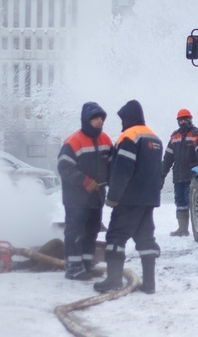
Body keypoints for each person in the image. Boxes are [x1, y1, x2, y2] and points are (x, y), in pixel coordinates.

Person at [95, 100, 163, 294]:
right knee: (146, 239)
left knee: (116, 236)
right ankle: (149, 284)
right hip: (148, 199)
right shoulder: (154, 138)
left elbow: (123, 169)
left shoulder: (129, 136)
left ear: (129, 118)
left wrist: (114, 196)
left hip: (129, 197)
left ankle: (113, 280)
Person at [57, 102, 113, 281]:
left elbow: (112, 165)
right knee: (75, 230)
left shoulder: (105, 140)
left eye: (101, 118)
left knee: (92, 229)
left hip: (96, 197)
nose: (99, 121)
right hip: (76, 198)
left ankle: (87, 264)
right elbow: (64, 168)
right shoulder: (73, 141)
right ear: (86, 120)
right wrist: (84, 180)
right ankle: (73, 266)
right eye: (96, 118)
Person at [161, 109, 198, 237]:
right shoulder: (174, 136)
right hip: (178, 176)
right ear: (178, 121)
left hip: (193, 176)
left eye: (186, 119)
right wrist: (162, 174)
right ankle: (182, 229)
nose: (183, 121)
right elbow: (168, 158)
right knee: (180, 203)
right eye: (181, 119)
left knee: (194, 203)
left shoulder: (197, 134)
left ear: (190, 119)